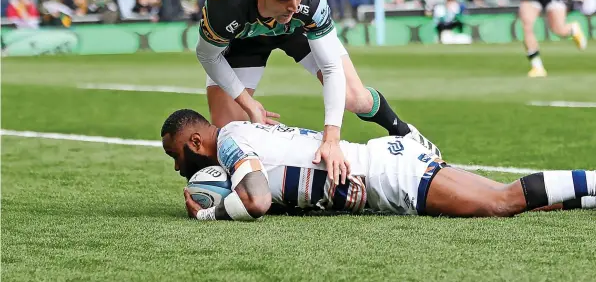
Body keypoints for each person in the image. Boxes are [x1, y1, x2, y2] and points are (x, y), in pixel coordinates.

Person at [195, 0, 439, 185]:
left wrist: (331, 138)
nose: (292, 6)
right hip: (244, 40)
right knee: (228, 131)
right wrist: (249, 105)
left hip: (296, 30)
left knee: (354, 98)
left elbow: (331, 68)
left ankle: (404, 132)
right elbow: (208, 56)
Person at [160, 109, 596, 221]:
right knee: (508, 204)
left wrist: (209, 213)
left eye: (177, 154)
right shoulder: (241, 131)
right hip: (384, 164)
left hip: (388, 174)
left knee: (502, 201)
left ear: (196, 141)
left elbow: (254, 201)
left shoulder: (233, 141)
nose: (179, 167)